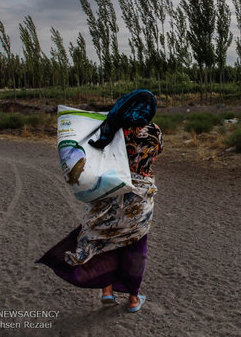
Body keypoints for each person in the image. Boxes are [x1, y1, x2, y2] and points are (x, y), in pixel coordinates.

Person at [37, 89, 162, 313]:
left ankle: (107, 292)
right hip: (139, 198)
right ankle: (133, 299)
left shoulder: (112, 129)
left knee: (105, 240)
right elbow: (156, 153)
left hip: (108, 192)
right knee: (136, 244)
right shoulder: (154, 132)